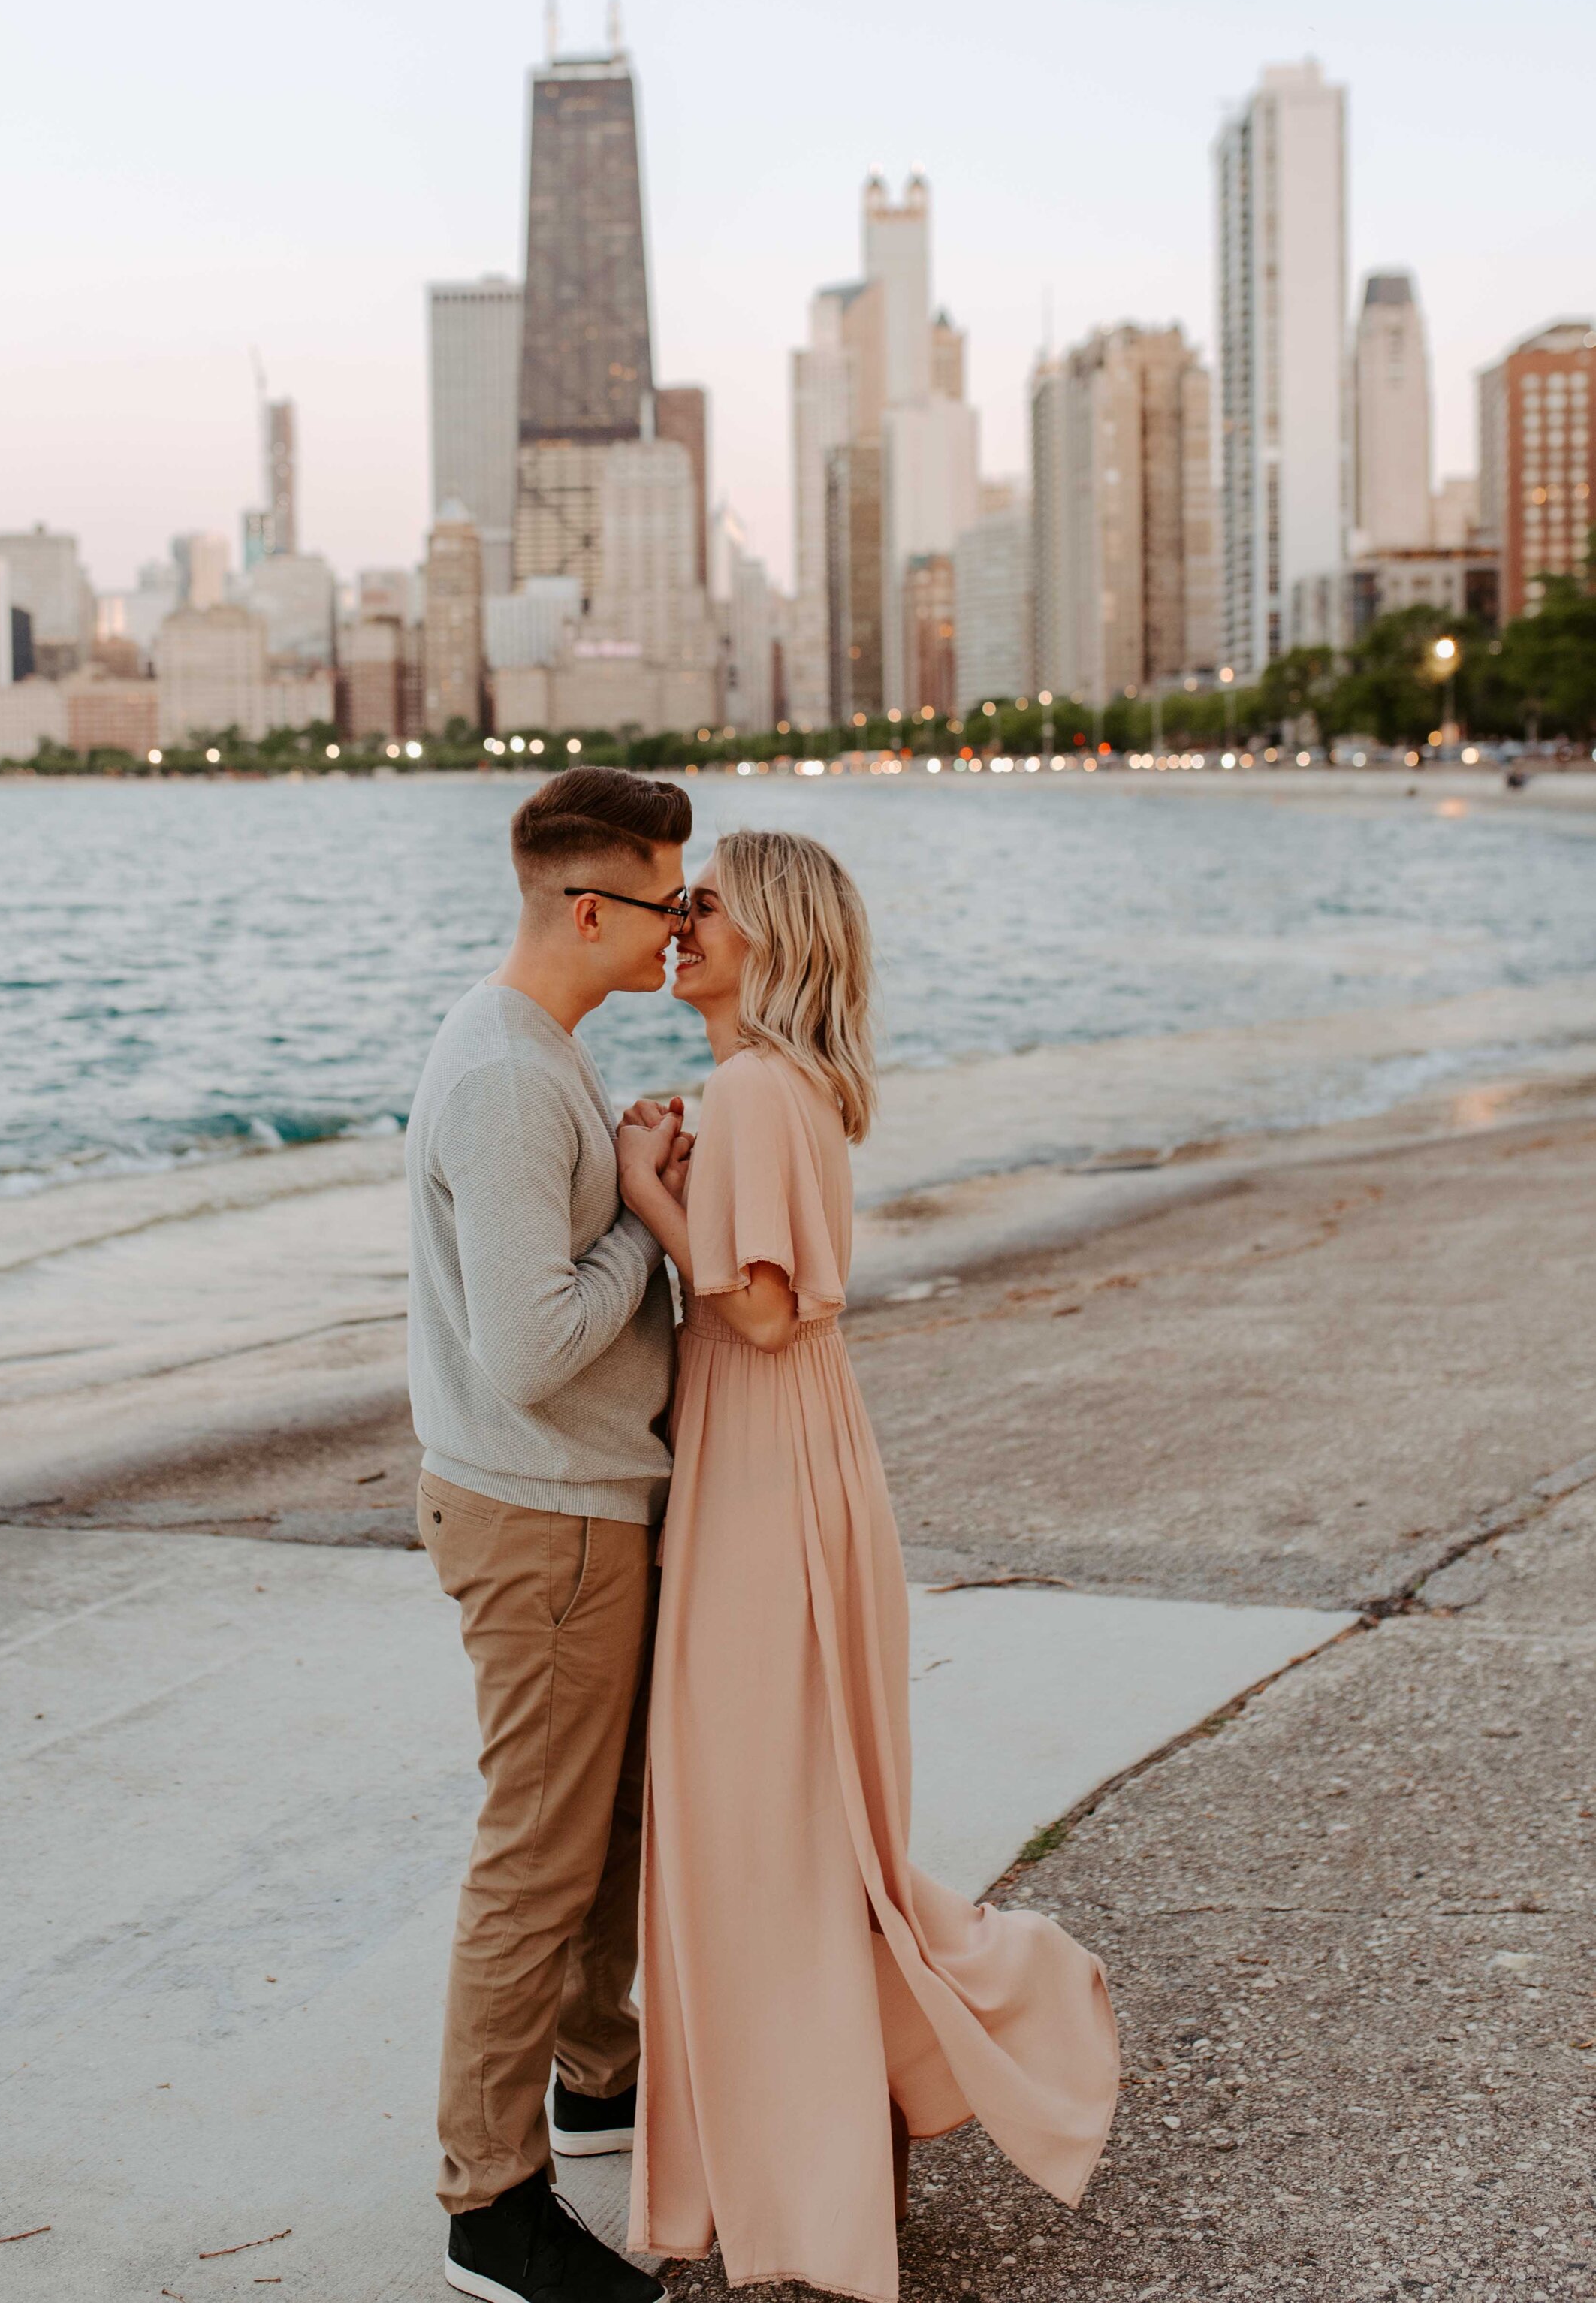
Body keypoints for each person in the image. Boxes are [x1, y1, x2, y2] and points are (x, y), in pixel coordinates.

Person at [616, 829, 1120, 2303]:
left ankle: (968, 2051)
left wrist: (650, 1185)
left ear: (771, 933)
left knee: (760, 1838)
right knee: (791, 1841)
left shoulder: (753, 1088)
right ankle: (828, 2189)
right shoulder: (781, 1093)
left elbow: (757, 1314)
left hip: (764, 1473)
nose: (676, 920)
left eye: (704, 902)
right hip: (788, 1465)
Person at [406, 765, 696, 2303]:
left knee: (604, 1834)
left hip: (570, 1503)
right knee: (536, 1856)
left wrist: (627, 1179)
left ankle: (596, 2088)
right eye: (666, 897)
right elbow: (528, 1344)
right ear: (591, 907)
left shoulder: (539, 1050)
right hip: (543, 1518)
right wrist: (648, 1212)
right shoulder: (513, 1076)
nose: (682, 925)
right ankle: (487, 2202)